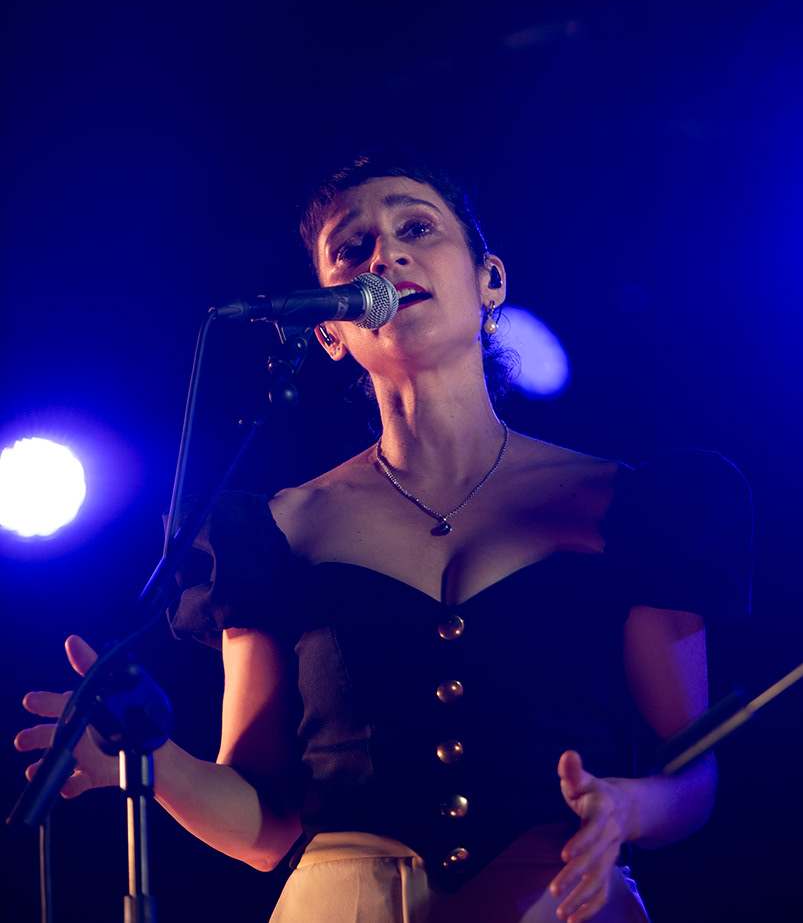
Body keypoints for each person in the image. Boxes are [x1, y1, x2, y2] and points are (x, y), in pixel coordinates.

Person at [16, 147, 752, 923]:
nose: (384, 256)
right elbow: (266, 824)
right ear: (330, 328)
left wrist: (625, 807)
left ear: (489, 280)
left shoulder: (629, 503)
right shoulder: (276, 529)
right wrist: (152, 762)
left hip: (562, 899)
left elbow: (691, 777)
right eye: (351, 247)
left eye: (415, 227)